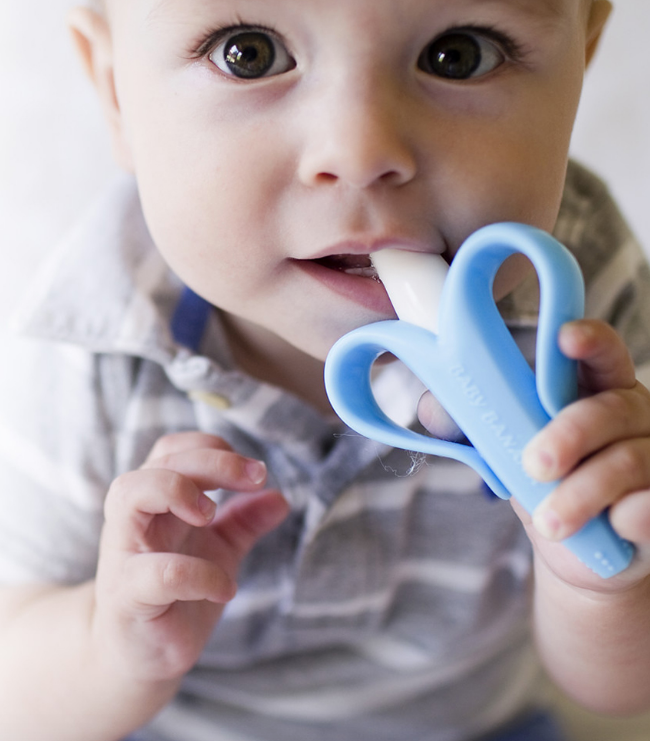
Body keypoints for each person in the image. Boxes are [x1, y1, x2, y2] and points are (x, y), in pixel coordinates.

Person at [2, 0, 650, 739]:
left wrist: (603, 582)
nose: (361, 150)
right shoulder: (92, 342)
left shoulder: (583, 306)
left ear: (584, 55)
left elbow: (621, 691)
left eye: (458, 54)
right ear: (117, 88)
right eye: (248, 53)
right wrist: (110, 649)